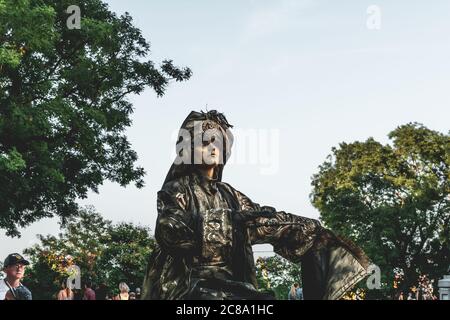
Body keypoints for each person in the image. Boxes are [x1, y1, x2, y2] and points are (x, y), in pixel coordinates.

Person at [142, 110, 370, 300]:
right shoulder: (177, 189)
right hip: (189, 287)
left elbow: (260, 221)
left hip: (231, 285)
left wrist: (302, 229)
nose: (212, 147)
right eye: (205, 142)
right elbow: (169, 232)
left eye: (217, 142)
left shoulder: (229, 194)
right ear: (190, 148)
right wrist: (228, 222)